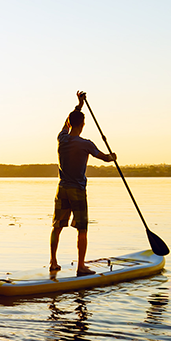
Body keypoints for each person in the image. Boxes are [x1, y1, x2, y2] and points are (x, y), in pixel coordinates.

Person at [50, 91, 116, 276]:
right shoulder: (86, 143)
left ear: (70, 123)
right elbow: (104, 158)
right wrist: (113, 157)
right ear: (83, 125)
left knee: (57, 226)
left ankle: (53, 262)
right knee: (82, 229)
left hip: (61, 189)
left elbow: (66, 123)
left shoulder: (61, 138)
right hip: (77, 190)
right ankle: (81, 267)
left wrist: (79, 105)